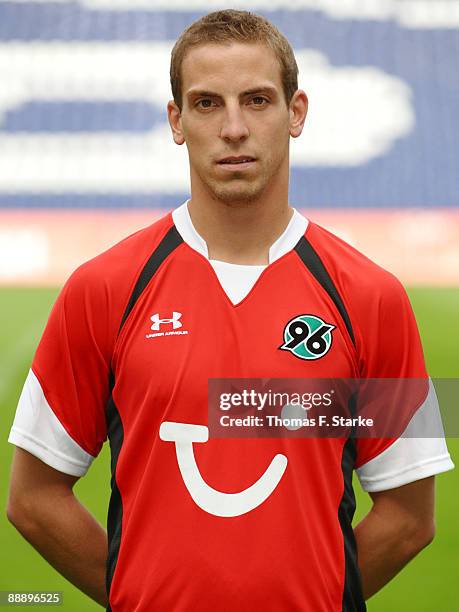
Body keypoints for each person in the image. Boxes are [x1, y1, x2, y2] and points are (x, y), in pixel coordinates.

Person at [6, 9, 454, 612]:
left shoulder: (374, 297)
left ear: (296, 113)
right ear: (177, 120)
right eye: (208, 103)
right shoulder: (103, 289)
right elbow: (32, 498)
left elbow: (409, 515)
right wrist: (140, 598)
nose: (235, 127)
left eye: (259, 100)